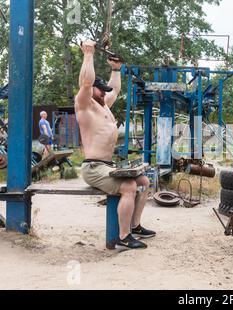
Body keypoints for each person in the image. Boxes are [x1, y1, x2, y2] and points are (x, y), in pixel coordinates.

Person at [75, 40, 154, 250]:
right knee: (128, 187)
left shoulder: (104, 106)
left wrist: (116, 69)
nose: (104, 93)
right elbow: (85, 83)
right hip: (93, 168)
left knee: (144, 181)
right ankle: (123, 236)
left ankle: (135, 226)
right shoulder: (85, 106)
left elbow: (116, 90)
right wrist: (88, 54)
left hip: (107, 165)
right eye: (100, 90)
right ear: (92, 90)